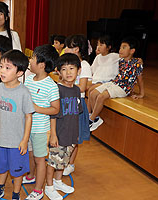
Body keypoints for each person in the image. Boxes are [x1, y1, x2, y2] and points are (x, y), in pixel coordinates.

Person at [0, 50, 35, 200]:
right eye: (1, 66)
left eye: (8, 68)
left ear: (19, 72)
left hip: (17, 143)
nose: (2, 71)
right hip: (1, 139)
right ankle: (0, 190)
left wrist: (25, 140)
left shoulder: (24, 93)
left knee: (17, 171)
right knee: (1, 167)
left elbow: (28, 117)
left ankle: (15, 195)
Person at [24, 44, 60, 200]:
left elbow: (55, 109)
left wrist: (37, 108)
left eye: (33, 58)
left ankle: (39, 190)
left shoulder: (51, 86)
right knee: (30, 155)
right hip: (28, 127)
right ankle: (31, 176)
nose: (30, 60)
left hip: (40, 129)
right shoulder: (29, 79)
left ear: (41, 65)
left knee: (40, 160)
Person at [45, 53, 82, 200]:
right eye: (64, 69)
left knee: (63, 161)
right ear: (58, 72)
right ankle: (49, 187)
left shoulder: (77, 90)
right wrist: (53, 134)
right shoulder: (57, 90)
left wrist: (76, 133)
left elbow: (76, 115)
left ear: (78, 70)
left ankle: (58, 181)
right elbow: (53, 115)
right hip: (59, 134)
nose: (68, 72)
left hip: (71, 133)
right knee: (53, 162)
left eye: (72, 68)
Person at [89, 36, 144, 131]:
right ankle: (96, 117)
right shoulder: (120, 60)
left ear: (132, 51)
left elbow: (140, 79)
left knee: (102, 96)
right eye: (120, 47)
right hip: (114, 83)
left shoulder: (137, 63)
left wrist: (141, 94)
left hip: (123, 88)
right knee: (93, 93)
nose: (120, 50)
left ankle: (91, 119)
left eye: (124, 47)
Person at [62, 34, 91, 176]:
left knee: (75, 136)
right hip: (66, 102)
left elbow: (83, 87)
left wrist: (68, 85)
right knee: (65, 133)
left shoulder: (84, 65)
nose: (65, 49)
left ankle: (71, 164)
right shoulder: (67, 64)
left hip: (77, 104)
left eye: (68, 46)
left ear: (77, 49)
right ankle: (63, 159)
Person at [87, 35, 119, 113]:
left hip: (108, 82)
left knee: (92, 91)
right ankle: (88, 113)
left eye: (101, 45)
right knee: (89, 90)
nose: (98, 47)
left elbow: (127, 58)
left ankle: (92, 115)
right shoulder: (98, 57)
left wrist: (139, 60)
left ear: (108, 47)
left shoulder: (114, 56)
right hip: (98, 82)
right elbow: (92, 69)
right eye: (98, 44)